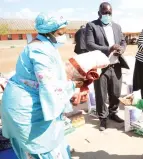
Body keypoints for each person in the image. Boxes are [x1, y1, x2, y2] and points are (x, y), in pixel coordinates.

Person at [0, 13, 82, 159]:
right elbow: (48, 86)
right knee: (41, 148)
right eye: (61, 33)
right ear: (49, 32)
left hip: (24, 101)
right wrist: (72, 87)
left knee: (52, 144)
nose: (64, 36)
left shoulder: (45, 45)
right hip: (27, 110)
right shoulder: (39, 50)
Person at [85, 2, 129, 131]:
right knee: (101, 94)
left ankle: (113, 113)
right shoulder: (92, 25)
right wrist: (109, 48)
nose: (107, 15)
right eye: (105, 12)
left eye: (109, 13)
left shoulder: (117, 26)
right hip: (101, 66)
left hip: (116, 65)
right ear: (99, 13)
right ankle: (102, 118)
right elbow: (89, 45)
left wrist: (121, 49)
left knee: (115, 93)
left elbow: (123, 42)